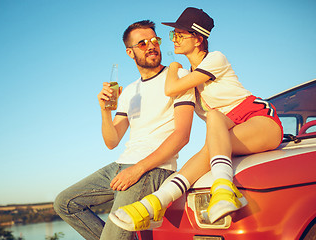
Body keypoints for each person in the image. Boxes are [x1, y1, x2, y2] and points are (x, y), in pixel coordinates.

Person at [110, 7, 284, 230]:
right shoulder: (192, 74)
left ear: (198, 39)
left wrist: (173, 66)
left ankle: (223, 188)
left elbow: (170, 88)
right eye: (174, 35)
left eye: (180, 34)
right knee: (208, 147)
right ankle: (152, 205)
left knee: (213, 118)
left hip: (259, 119)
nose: (174, 39)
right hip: (226, 128)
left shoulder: (214, 59)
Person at [53, 20, 196, 240]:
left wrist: (137, 169)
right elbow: (112, 141)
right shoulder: (130, 91)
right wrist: (104, 111)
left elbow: (182, 136)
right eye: (142, 43)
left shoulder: (178, 78)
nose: (151, 46)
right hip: (122, 165)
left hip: (152, 169)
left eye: (154, 40)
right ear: (130, 52)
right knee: (65, 203)